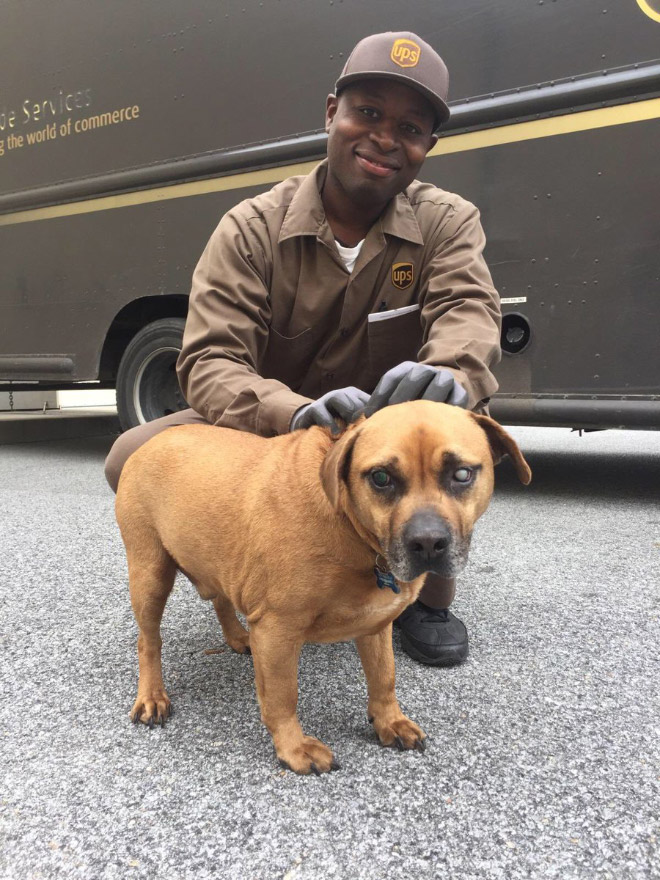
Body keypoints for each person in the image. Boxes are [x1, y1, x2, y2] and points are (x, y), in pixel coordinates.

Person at [105, 31, 501, 667]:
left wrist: (451, 373)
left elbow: (469, 310)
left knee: (448, 460)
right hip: (272, 427)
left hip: (391, 430)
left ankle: (425, 602)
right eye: (367, 113)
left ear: (428, 146)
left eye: (410, 126)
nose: (384, 137)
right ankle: (251, 570)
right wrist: (288, 411)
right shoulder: (252, 227)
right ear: (331, 114)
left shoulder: (447, 222)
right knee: (132, 455)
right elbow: (207, 361)